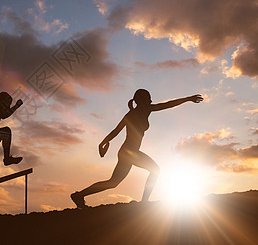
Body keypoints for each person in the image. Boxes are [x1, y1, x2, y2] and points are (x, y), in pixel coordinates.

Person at [71, 89, 203, 208]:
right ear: (142, 100)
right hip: (130, 152)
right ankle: (144, 202)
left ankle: (79, 195)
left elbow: (115, 131)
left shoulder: (134, 113)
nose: (151, 100)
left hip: (126, 152)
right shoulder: (142, 111)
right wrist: (187, 99)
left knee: (113, 182)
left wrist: (103, 143)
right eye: (148, 98)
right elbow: (167, 105)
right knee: (155, 170)